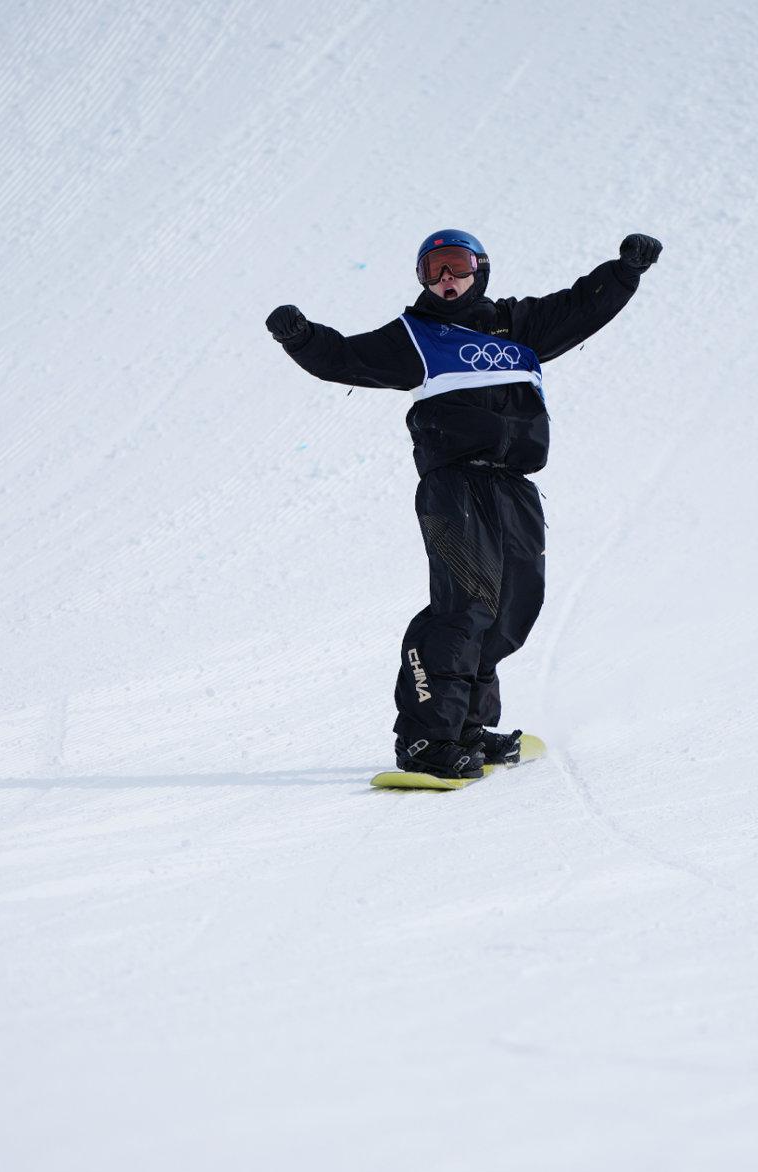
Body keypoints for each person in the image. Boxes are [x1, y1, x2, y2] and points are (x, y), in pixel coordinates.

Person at [266, 229, 662, 777]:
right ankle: (426, 740)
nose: (446, 279)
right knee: (465, 604)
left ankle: (469, 727)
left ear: (481, 268)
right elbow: (345, 357)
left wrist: (623, 272)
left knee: (512, 609)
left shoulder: (520, 326)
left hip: (514, 484)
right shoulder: (415, 336)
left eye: (456, 265)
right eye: (434, 270)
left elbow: (581, 307)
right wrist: (301, 337)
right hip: (453, 484)